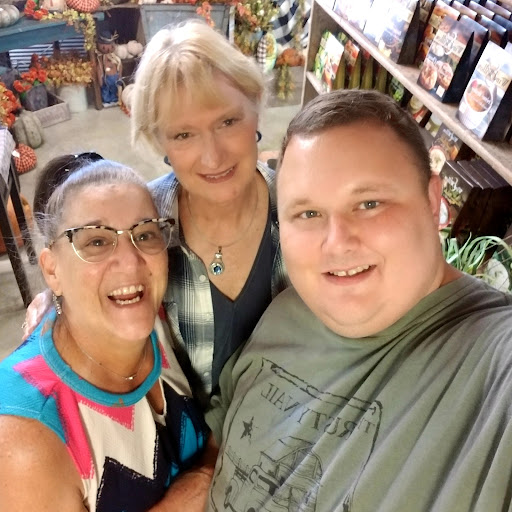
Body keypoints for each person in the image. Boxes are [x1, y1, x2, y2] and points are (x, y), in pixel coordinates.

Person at [205, 89, 512, 511]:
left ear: (432, 202)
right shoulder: (286, 310)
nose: (337, 242)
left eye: (369, 203)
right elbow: (219, 443)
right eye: (308, 214)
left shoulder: (494, 363)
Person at [0, 156, 211, 511]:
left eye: (145, 234)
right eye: (96, 242)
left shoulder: (160, 317)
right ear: (52, 271)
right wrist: (198, 485)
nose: (131, 262)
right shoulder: (23, 436)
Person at [130, 19, 289, 406]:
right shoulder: (139, 224)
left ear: (256, 109)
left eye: (227, 122)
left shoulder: (302, 210)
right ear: (160, 142)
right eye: (183, 135)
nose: (212, 157)